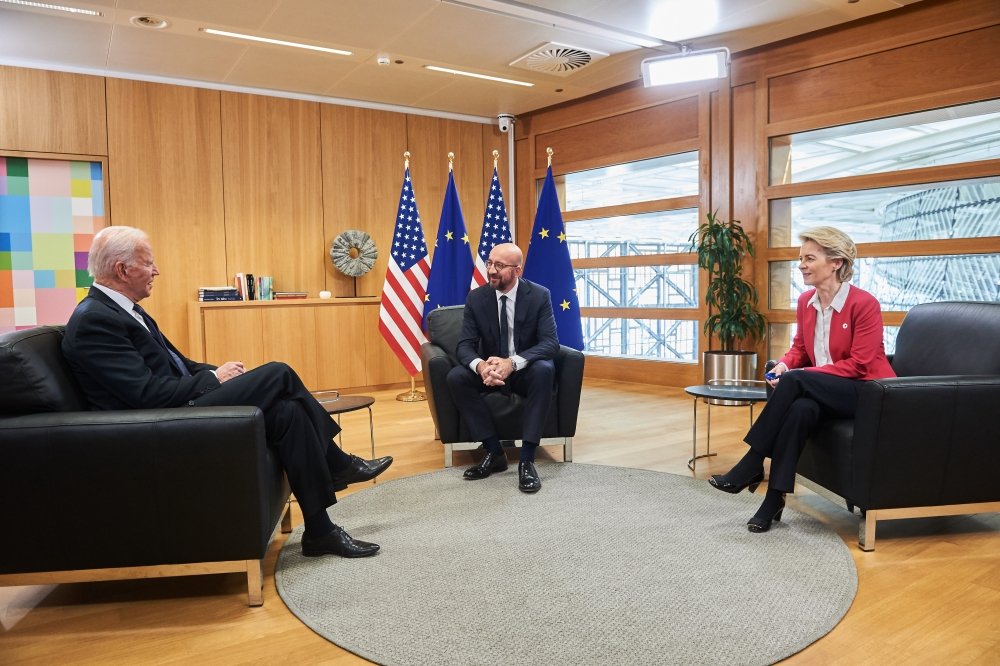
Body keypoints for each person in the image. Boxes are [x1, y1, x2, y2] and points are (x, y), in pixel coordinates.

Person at [62, 226, 392, 558]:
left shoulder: (122, 309)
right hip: (157, 426)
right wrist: (214, 380)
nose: (156, 271)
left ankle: (321, 531)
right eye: (149, 263)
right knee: (279, 373)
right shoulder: (95, 321)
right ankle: (337, 461)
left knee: (287, 412)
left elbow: (177, 363)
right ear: (122, 269)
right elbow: (145, 393)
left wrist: (213, 372)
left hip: (174, 406)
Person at [708, 226, 895, 532]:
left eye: (809, 258)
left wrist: (799, 374)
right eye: (800, 258)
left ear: (836, 262)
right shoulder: (806, 301)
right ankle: (773, 499)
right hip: (828, 390)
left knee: (796, 381)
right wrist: (783, 365)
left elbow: (860, 365)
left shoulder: (864, 304)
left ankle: (752, 463)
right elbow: (800, 349)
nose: (801, 265)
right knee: (799, 410)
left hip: (868, 392)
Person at [446, 242, 560, 493]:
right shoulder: (477, 297)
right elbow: (464, 345)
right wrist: (481, 367)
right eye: (489, 263)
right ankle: (494, 452)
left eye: (499, 265)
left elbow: (551, 343)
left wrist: (513, 363)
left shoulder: (539, 295)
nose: (491, 270)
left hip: (523, 370)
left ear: (517, 270)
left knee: (544, 370)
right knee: (456, 377)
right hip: (491, 370)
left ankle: (527, 460)